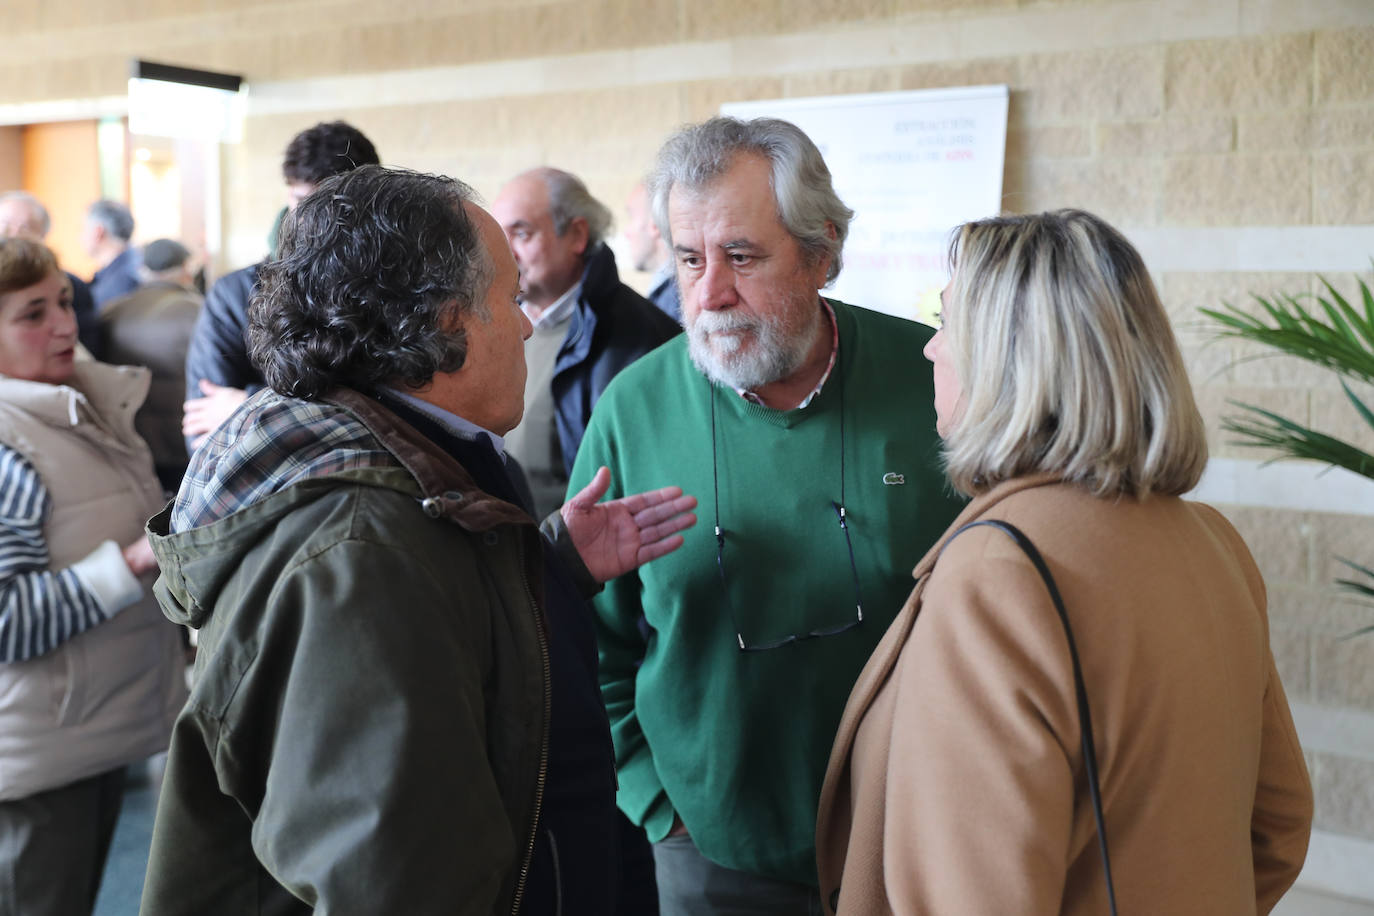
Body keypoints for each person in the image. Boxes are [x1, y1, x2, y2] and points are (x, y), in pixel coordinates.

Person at [139, 165, 696, 915]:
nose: (528, 324)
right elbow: (391, 882)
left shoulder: (397, 472)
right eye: (509, 298)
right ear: (444, 322)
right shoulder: (363, 551)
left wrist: (551, 565)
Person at [815, 209, 1314, 915]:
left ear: (1010, 356)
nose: (931, 349)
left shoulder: (999, 572)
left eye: (949, 321)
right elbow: (1279, 827)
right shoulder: (1212, 541)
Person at [566, 116, 964, 914]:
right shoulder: (634, 408)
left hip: (920, 840)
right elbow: (586, 639)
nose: (710, 293)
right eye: (689, 259)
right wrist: (658, 804)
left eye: (741, 257)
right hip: (709, 854)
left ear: (821, 253)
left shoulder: (936, 380)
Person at [0, 237, 187, 916]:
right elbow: (6, 620)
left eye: (64, 302)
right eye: (31, 314)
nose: (65, 324)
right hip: (37, 762)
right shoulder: (9, 441)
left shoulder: (70, 404)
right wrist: (135, 563)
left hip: (89, 732)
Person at [181, 120, 380, 449]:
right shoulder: (235, 294)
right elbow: (204, 433)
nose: (310, 219)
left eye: (329, 205)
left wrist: (244, 405)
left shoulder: (391, 287)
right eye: (300, 201)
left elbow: (396, 419)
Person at [492, 168, 679, 518]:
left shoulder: (640, 337)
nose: (506, 251)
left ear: (577, 234)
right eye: (499, 235)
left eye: (521, 233)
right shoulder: (491, 324)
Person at [99, 238, 204, 493]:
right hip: (185, 446)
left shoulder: (111, 312)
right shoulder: (200, 312)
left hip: (130, 442)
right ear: (185, 269)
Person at [0, 190, 101, 356]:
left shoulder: (71, 286)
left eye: (25, 228)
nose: (14, 235)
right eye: (5, 225)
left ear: (43, 235)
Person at [624, 179, 680, 321]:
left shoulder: (675, 301)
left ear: (655, 224)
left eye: (631, 216)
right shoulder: (669, 296)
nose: (626, 232)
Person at [83, 200, 140, 309]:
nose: (81, 237)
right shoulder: (135, 264)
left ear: (98, 232)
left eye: (83, 229)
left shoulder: (121, 283)